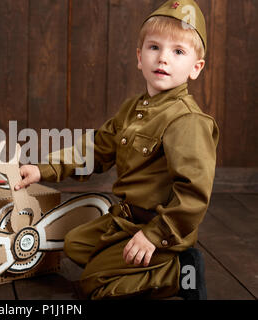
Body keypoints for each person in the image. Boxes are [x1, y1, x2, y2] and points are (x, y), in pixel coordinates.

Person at [14, 0, 218, 300]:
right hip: (126, 219)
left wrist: (154, 235)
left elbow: (193, 194)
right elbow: (96, 150)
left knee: (94, 285)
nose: (163, 58)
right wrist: (43, 168)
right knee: (75, 245)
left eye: (178, 51)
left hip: (159, 228)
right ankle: (136, 264)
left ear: (195, 68)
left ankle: (177, 273)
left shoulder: (187, 120)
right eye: (154, 47)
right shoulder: (133, 109)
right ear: (139, 57)